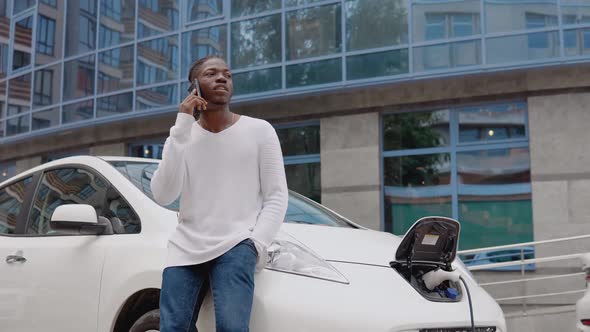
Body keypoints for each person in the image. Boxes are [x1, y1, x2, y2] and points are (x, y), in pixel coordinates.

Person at [150, 55, 288, 332]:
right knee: (172, 328)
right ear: (194, 87)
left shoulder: (260, 131)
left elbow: (276, 196)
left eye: (227, 74)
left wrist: (255, 244)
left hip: (236, 245)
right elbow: (163, 194)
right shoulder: (182, 137)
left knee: (232, 328)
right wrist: (181, 126)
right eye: (211, 74)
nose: (222, 78)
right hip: (185, 248)